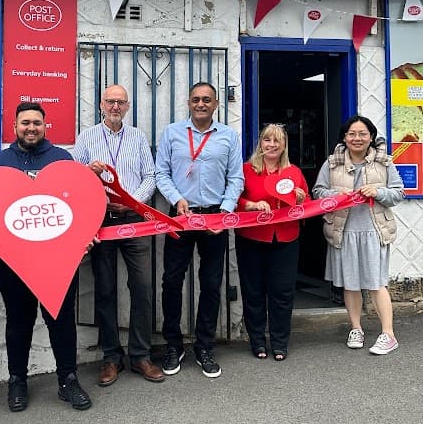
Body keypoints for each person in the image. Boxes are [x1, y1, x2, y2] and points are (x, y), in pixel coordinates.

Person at [0, 102, 92, 411]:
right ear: (15, 127)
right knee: (19, 322)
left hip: (57, 260)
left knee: (60, 321)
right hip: (12, 261)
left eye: (36, 122)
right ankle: (17, 380)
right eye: (25, 123)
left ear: (45, 127)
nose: (31, 128)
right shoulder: (0, 161)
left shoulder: (62, 159)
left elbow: (78, 204)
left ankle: (68, 380)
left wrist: (82, 237)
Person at [72, 84, 164, 386]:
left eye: (120, 102)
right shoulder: (86, 137)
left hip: (135, 219)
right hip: (101, 221)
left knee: (142, 287)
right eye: (110, 101)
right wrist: (89, 171)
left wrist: (132, 201)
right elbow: (73, 179)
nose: (115, 107)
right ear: (101, 105)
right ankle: (111, 358)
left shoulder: (137, 137)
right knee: (106, 289)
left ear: (127, 107)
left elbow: (150, 175)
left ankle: (140, 355)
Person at [156, 82, 243, 378]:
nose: (201, 104)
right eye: (196, 99)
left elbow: (236, 177)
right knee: (171, 282)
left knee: (210, 283)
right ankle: (173, 344)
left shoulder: (229, 136)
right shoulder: (172, 133)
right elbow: (161, 173)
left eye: (207, 100)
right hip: (180, 216)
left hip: (215, 218)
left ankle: (204, 346)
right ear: (189, 103)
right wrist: (177, 200)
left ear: (216, 104)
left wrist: (226, 211)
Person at [313, 115, 404, 355]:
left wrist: (378, 192)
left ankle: (388, 334)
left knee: (376, 282)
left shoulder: (384, 163)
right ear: (344, 137)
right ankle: (356, 328)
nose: (357, 138)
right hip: (343, 230)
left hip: (374, 229)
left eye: (363, 134)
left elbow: (398, 193)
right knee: (350, 283)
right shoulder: (333, 163)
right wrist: (336, 194)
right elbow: (318, 192)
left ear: (371, 137)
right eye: (352, 134)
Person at [236, 124, 309, 361]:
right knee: (253, 291)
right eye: (268, 140)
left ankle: (279, 342)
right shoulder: (246, 170)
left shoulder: (294, 172)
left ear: (284, 145)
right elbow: (234, 198)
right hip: (252, 238)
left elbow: (307, 203)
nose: (272, 145)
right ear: (261, 143)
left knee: (282, 292)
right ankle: (257, 340)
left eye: (277, 141)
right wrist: (251, 205)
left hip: (286, 238)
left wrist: (299, 199)